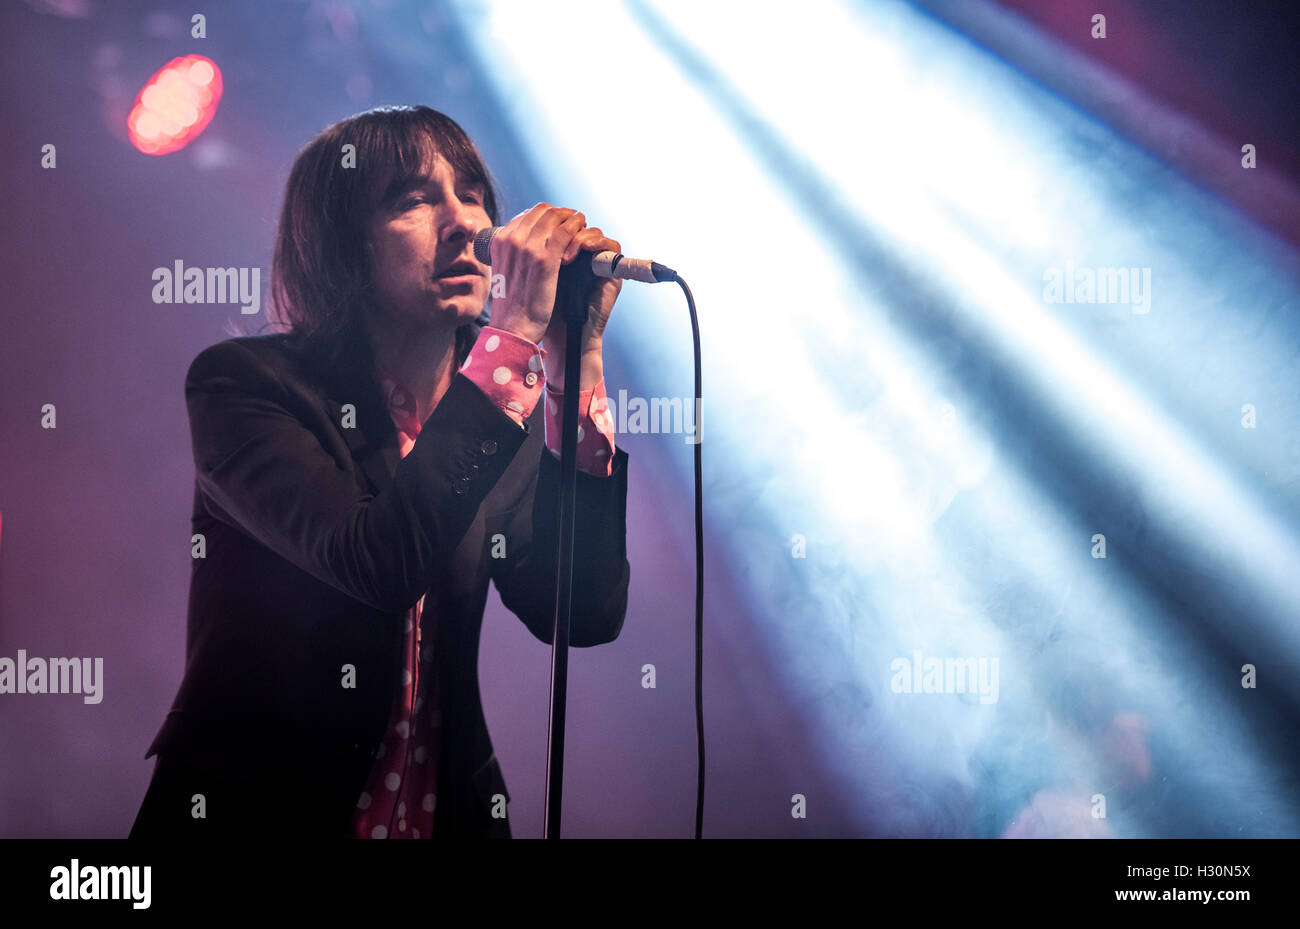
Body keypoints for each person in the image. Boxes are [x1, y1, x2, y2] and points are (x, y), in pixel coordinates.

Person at [129, 105, 631, 839]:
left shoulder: (503, 415)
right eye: (414, 199)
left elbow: (581, 611)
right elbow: (377, 561)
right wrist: (513, 336)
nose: (466, 223)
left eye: (470, 193)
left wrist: (573, 363)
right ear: (345, 247)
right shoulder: (247, 387)